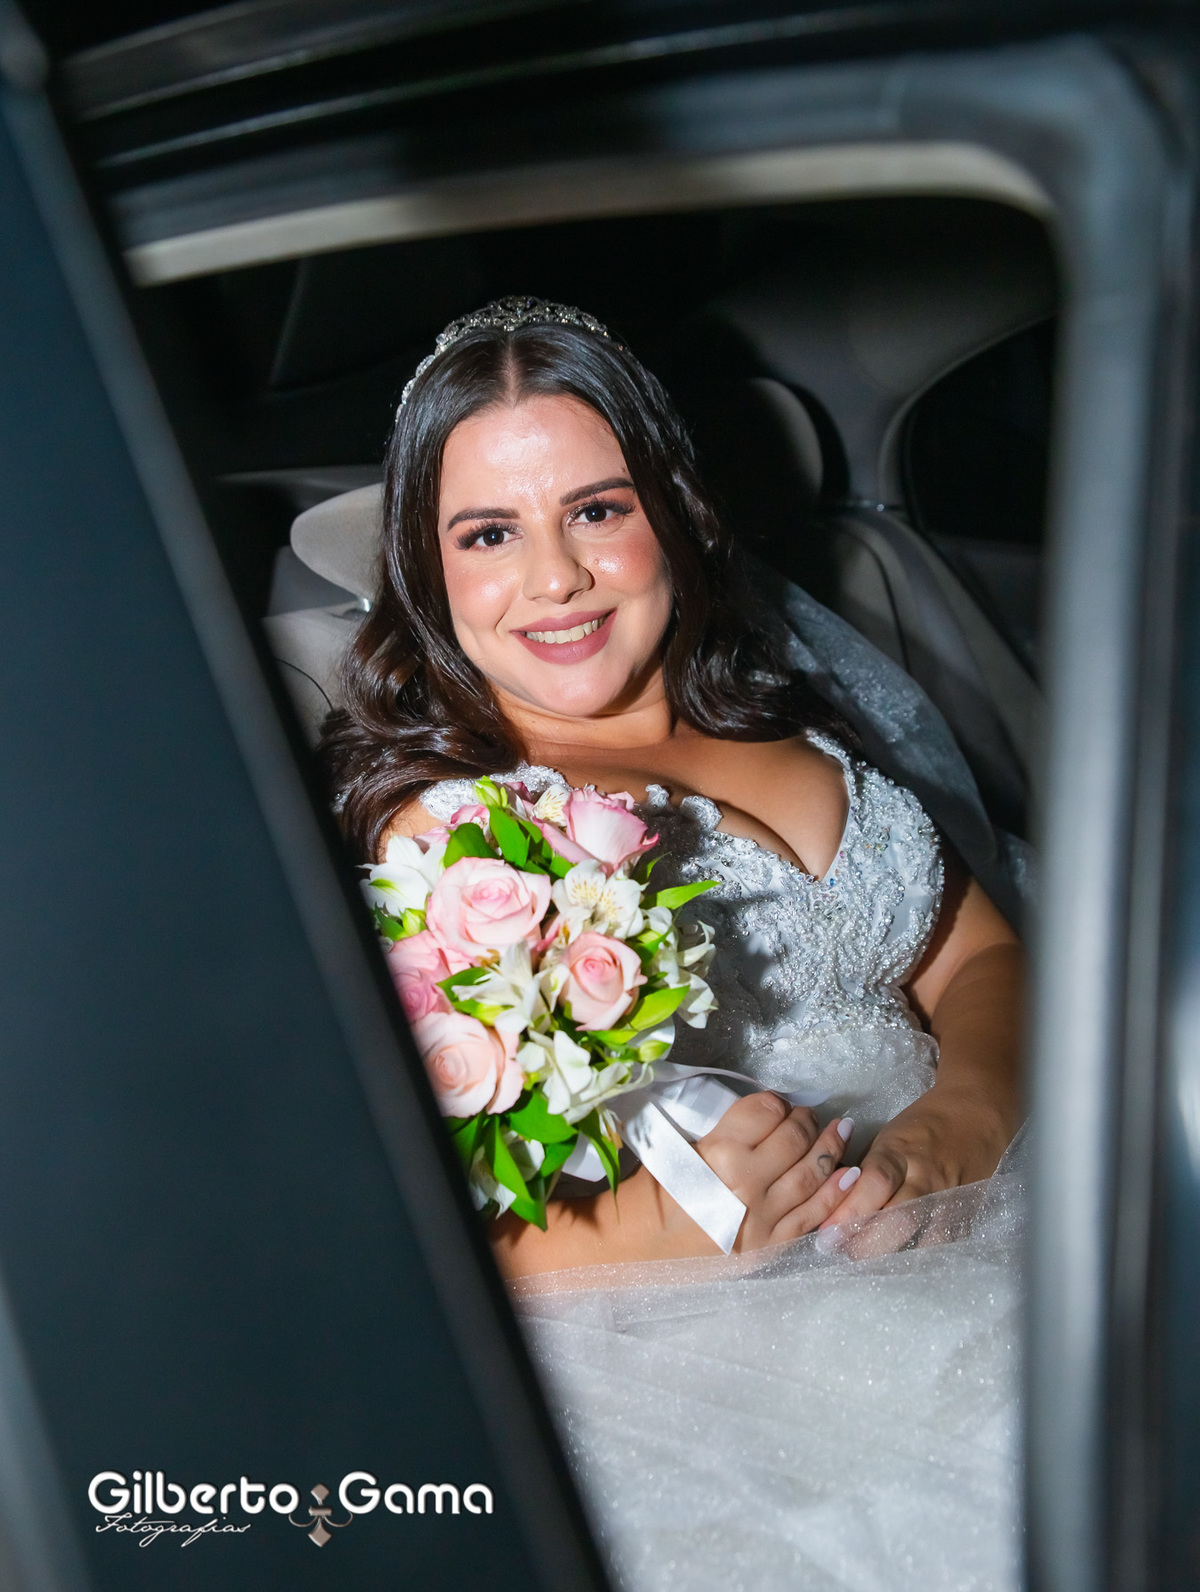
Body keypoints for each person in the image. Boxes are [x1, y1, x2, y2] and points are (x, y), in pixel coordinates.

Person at [321, 297, 1028, 1591]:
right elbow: (363, 1219)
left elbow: (984, 963)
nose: (555, 577)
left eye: (596, 510)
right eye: (490, 532)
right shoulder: (456, 838)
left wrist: (965, 1119)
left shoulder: (786, 727)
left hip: (985, 1205)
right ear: (428, 567)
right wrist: (662, 1222)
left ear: (677, 510)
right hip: (726, 1346)